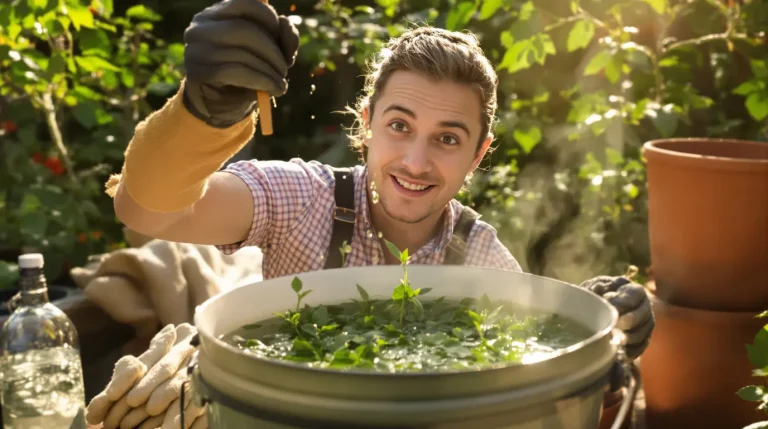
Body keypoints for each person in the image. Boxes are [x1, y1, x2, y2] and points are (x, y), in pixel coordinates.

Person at [106, 0, 653, 358]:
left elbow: (536, 358)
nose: (415, 162)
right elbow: (146, 211)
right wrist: (204, 116)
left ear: (477, 155)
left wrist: (604, 327)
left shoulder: (479, 257)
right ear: (365, 126)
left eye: (447, 138)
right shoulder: (303, 200)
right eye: (399, 126)